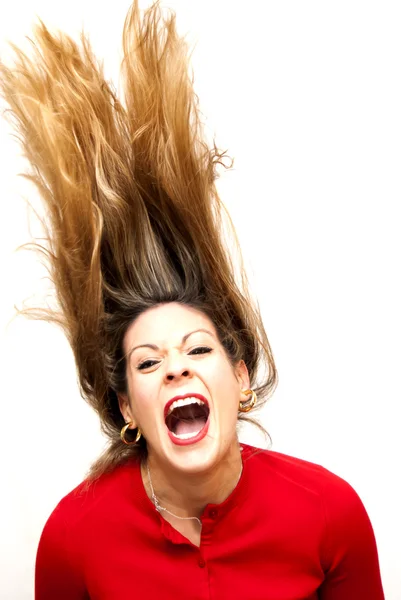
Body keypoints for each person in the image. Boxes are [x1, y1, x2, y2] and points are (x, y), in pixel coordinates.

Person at [0, 1, 385, 598]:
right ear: (128, 407)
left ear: (240, 375)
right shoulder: (73, 537)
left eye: (198, 350)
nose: (175, 365)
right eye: (148, 362)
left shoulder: (329, 512)